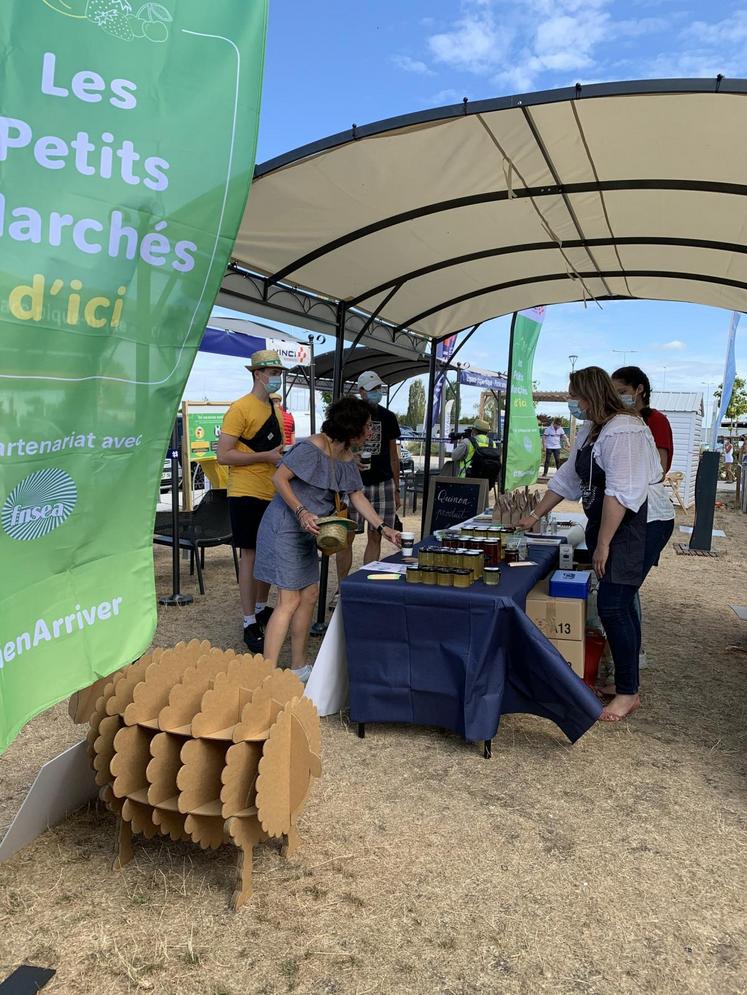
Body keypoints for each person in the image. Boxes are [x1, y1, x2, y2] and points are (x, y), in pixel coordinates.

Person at [518, 366, 661, 723]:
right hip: (614, 521)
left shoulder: (624, 429)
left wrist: (603, 544)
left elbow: (622, 493)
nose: (572, 403)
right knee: (620, 602)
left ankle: (628, 691)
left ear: (591, 396)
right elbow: (567, 477)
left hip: (636, 524)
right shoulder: (591, 429)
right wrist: (533, 517)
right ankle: (626, 683)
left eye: (575, 396)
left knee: (613, 604)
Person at [255, 397, 401, 683]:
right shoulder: (311, 448)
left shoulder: (347, 457)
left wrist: (384, 528)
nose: (370, 432)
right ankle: (266, 674)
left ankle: (298, 666)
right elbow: (279, 479)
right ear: (351, 427)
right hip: (286, 525)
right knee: (289, 599)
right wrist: (301, 511)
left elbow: (357, 496)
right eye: (367, 426)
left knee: (309, 595)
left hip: (310, 529)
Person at [217, 350, 284, 653]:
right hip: (245, 492)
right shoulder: (239, 408)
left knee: (267, 555)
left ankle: (260, 608)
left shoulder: (274, 408)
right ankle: (248, 621)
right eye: (272, 372)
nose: (276, 378)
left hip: (271, 491)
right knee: (251, 556)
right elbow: (224, 454)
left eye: (278, 372)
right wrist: (265, 456)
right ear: (257, 374)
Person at [335, 371, 401, 584]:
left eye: (379, 389)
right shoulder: (350, 418)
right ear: (361, 391)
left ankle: (364, 584)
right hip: (353, 484)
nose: (377, 393)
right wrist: (349, 458)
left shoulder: (388, 417)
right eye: (372, 389)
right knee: (345, 538)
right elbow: (335, 449)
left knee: (376, 536)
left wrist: (397, 488)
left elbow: (393, 456)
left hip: (383, 482)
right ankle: (342, 588)